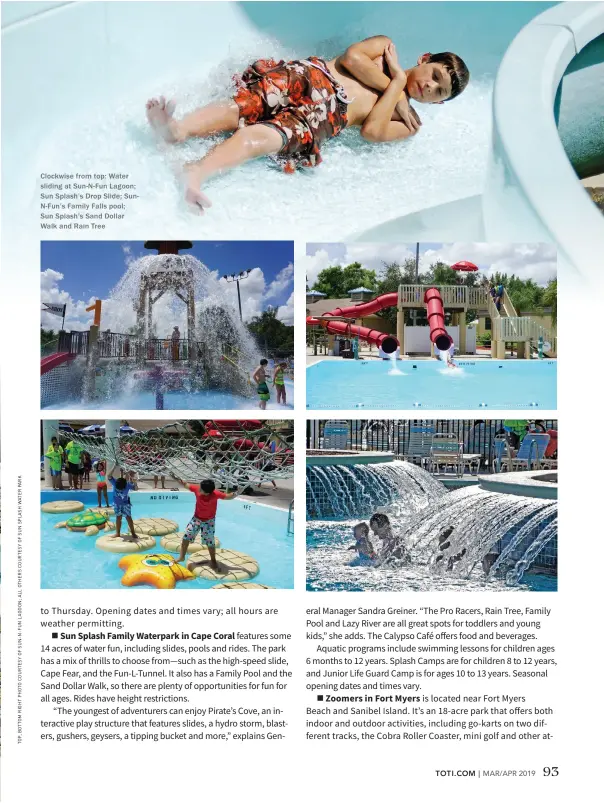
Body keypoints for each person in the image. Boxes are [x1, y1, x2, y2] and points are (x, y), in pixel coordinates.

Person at [146, 38, 469, 213]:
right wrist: (394, 83)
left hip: (324, 119)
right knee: (244, 106)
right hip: (310, 76)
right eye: (435, 75)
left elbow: (372, 131)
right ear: (425, 58)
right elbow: (350, 59)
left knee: (261, 138)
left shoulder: (408, 123)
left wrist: (399, 86)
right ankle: (179, 130)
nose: (429, 86)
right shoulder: (385, 50)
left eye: (438, 92)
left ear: (438, 103)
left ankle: (197, 171)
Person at [172, 476, 239, 571]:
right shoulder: (197, 489)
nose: (198, 489)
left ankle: (213, 560)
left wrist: (236, 493)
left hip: (209, 521)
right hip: (196, 519)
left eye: (201, 489)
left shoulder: (215, 494)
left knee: (210, 542)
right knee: (186, 537)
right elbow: (185, 484)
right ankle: (181, 557)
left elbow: (228, 497)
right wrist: (175, 478)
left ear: (207, 492)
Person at [109, 464, 137, 541]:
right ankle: (118, 533)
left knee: (128, 518)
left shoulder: (127, 485)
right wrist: (114, 466)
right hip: (117, 504)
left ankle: (133, 533)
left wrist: (134, 481)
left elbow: (136, 488)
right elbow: (109, 475)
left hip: (126, 504)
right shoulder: (115, 482)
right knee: (118, 518)